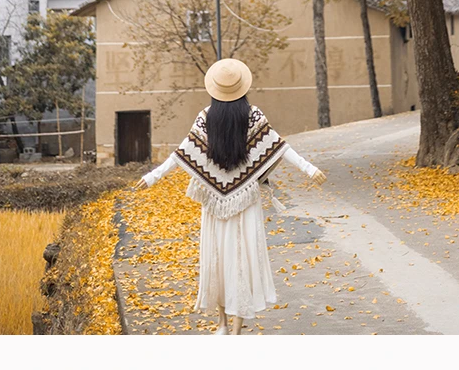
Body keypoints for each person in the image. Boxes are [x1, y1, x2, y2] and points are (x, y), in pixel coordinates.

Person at [135, 57, 326, 335]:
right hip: (246, 201)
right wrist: (309, 169)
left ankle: (222, 324)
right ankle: (235, 328)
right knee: (241, 259)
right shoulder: (254, 116)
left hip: (213, 203)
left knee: (217, 259)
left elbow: (182, 153)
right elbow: (280, 147)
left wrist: (154, 176)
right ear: (242, 88)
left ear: (214, 88)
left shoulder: (206, 116)